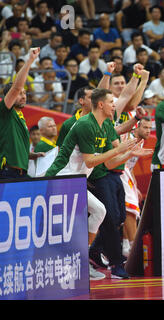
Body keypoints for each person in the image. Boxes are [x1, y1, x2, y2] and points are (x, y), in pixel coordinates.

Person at [45, 88, 140, 280]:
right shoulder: (85, 124)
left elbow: (110, 162)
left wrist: (129, 153)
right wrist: (119, 150)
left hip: (77, 180)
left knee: (100, 211)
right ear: (101, 104)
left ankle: (82, 258)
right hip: (62, 176)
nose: (115, 105)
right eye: (112, 101)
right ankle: (66, 265)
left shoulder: (106, 124)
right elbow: (90, 161)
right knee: (68, 225)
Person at [0, 47, 44, 180]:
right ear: (10, 96)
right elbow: (17, 86)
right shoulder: (5, 111)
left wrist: (31, 155)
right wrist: (30, 60)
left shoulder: (20, 116)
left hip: (21, 171)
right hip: (8, 171)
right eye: (19, 94)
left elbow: (15, 146)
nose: (23, 96)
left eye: (25, 93)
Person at [121, 116, 154, 257]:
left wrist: (135, 185)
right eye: (145, 127)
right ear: (137, 127)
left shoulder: (140, 143)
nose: (148, 131)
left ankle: (126, 246)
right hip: (118, 172)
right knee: (132, 209)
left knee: (131, 209)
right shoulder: (127, 138)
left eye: (150, 128)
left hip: (127, 174)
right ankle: (133, 248)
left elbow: (131, 166)